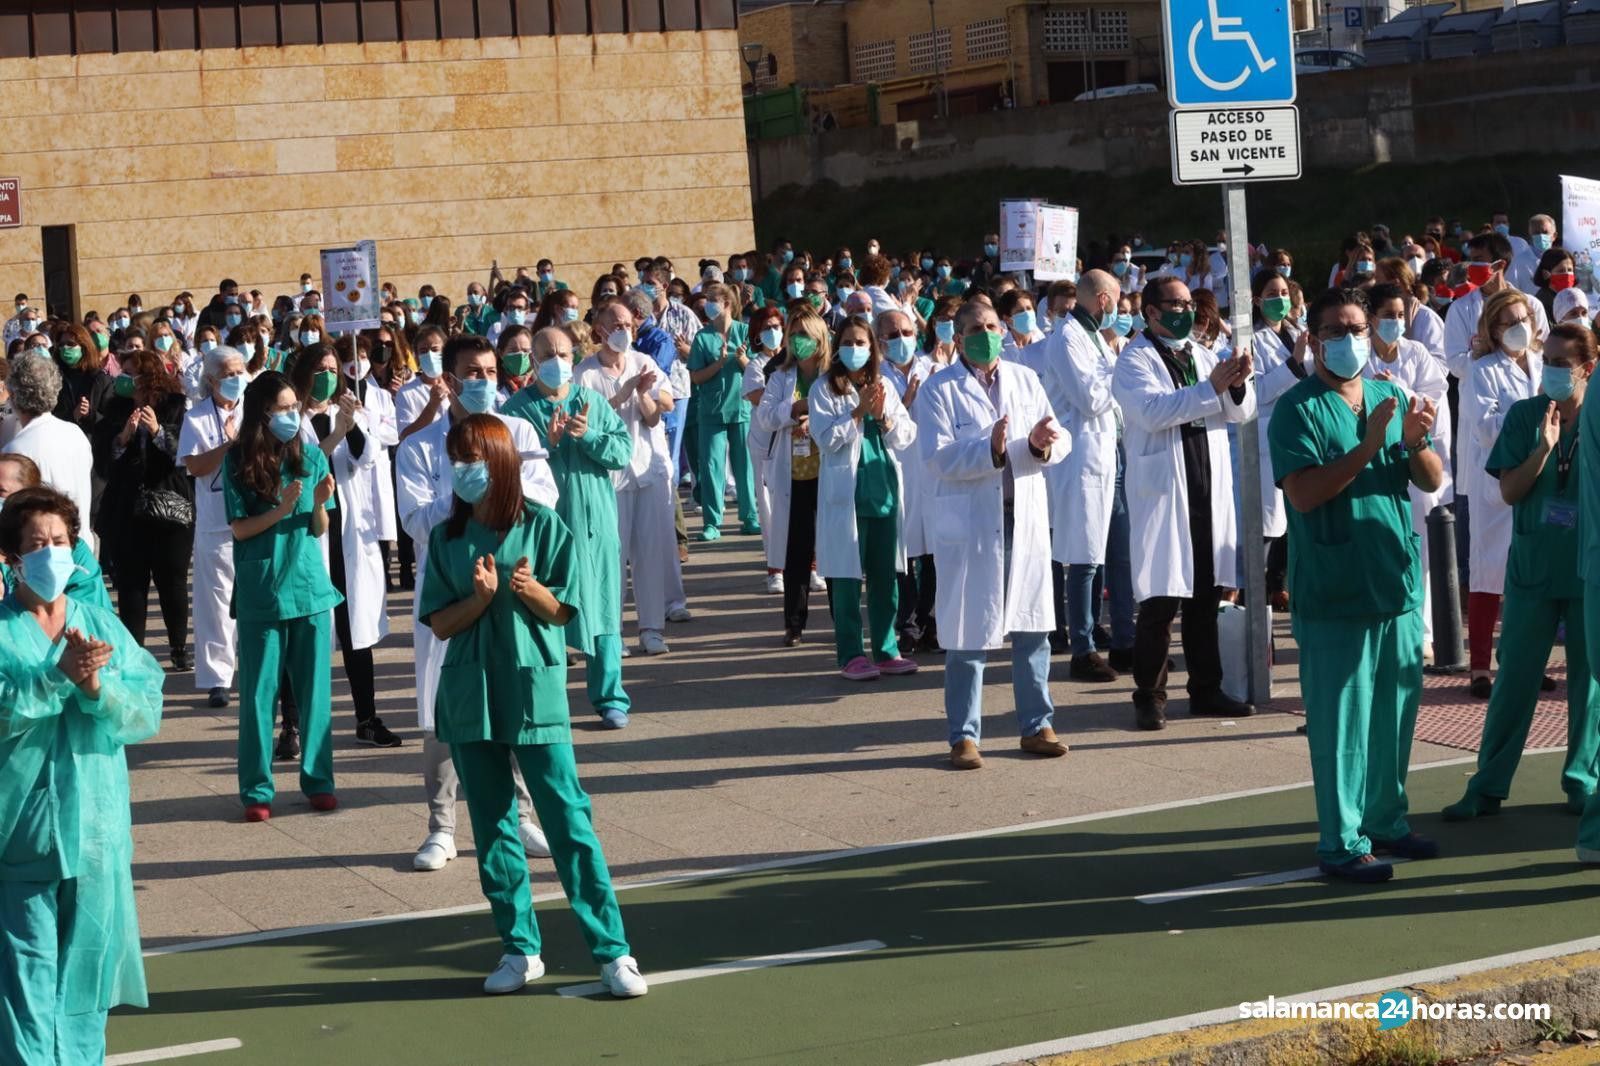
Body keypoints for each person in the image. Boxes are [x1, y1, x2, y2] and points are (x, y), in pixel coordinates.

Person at [418, 413, 645, 998]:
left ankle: (613, 951)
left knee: (569, 820)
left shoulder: (543, 526)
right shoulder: (446, 539)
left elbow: (568, 610)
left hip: (531, 692)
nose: (464, 470)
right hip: (471, 697)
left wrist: (533, 593)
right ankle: (520, 948)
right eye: (456, 459)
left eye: (474, 458)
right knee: (492, 827)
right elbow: (441, 622)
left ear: (501, 462)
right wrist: (482, 599)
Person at [1270, 286, 1443, 883]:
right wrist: (1370, 444)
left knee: (1394, 712)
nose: (1351, 340)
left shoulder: (1389, 393)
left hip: (1392, 580)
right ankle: (1341, 843)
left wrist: (1415, 440)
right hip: (1335, 586)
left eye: (1358, 329)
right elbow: (1305, 492)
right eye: (1337, 330)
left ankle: (1387, 819)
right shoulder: (1297, 408)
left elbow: (1430, 479)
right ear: (1315, 339)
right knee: (1342, 722)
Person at [0, 486, 164, 1063]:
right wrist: (55, 678)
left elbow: (146, 707)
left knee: (85, 983)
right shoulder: (2, 629)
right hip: (21, 836)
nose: (51, 552)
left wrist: (96, 687)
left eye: (60, 541)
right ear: (12, 558)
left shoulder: (97, 621)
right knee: (25, 983)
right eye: (37, 543)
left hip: (94, 832)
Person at [396, 333, 559, 872]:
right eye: (471, 372)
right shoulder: (420, 446)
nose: (483, 381)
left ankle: (522, 814)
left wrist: (496, 486)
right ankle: (441, 827)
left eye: (490, 372)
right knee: (441, 709)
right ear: (448, 378)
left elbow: (543, 499)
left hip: (509, 590)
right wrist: (465, 490)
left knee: (509, 698)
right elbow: (416, 522)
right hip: (449, 595)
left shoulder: (519, 431)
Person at [1445, 323, 1598, 822]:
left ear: (1587, 369)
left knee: (1587, 682)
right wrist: (1544, 448)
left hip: (1586, 569)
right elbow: (1509, 492)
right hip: (1533, 568)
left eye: (1561, 364)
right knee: (1514, 680)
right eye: (1546, 360)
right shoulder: (1526, 415)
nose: (1550, 371)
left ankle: (1582, 781)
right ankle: (1487, 786)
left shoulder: (1596, 419)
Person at [921, 301, 1069, 769]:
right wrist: (990, 447)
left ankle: (1036, 725)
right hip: (970, 524)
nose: (986, 334)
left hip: (1021, 516)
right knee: (969, 633)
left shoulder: (1024, 379)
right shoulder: (937, 390)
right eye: (975, 329)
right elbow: (938, 457)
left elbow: (1056, 436)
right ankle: (964, 736)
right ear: (958, 339)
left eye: (992, 327)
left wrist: (1043, 443)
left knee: (1032, 627)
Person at [1113, 277, 1257, 731]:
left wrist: (1236, 384)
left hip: (1207, 487)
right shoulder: (1133, 360)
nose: (1184, 311)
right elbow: (1153, 412)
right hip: (1164, 491)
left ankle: (1206, 689)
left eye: (1189, 303)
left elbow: (1240, 412)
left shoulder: (1200, 353)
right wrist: (1211, 389)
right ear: (1150, 312)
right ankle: (1150, 697)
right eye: (1174, 304)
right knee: (1160, 600)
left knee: (1206, 595)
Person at [223, 370, 340, 821]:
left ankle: (320, 780)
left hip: (309, 589)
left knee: (315, 693)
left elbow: (319, 527)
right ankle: (256, 789)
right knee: (258, 694)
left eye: (296, 407)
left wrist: (315, 505)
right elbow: (240, 529)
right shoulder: (237, 462)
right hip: (263, 590)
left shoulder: (312, 456)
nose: (293, 415)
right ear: (263, 413)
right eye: (285, 409)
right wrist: (282, 509)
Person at [503, 328, 634, 729]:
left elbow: (622, 451)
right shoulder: (518, 408)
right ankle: (547, 698)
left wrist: (588, 435)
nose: (556, 360)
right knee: (546, 609)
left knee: (603, 609)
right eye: (547, 354)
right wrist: (553, 443)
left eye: (563, 353)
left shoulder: (591, 401)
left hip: (595, 525)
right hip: (546, 529)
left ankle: (610, 696)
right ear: (534, 360)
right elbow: (510, 467)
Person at [289, 344, 398, 747]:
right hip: (306, 533)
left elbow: (368, 455)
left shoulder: (347, 413)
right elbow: (301, 466)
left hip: (347, 536)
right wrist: (335, 434)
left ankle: (367, 718)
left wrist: (350, 425)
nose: (328, 376)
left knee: (355, 632)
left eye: (333, 369)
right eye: (320, 369)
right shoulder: (289, 419)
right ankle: (292, 725)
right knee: (302, 633)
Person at [576, 299, 687, 656]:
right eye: (617, 324)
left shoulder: (645, 363)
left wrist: (643, 396)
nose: (625, 330)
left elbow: (659, 413)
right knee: (611, 556)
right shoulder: (585, 373)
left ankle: (651, 628)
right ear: (600, 330)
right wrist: (623, 393)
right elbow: (586, 420)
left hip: (647, 472)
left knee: (651, 553)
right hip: (609, 478)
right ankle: (611, 632)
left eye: (629, 324)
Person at [810, 319, 919, 681]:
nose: (854, 348)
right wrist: (857, 413)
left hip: (884, 491)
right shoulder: (824, 389)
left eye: (861, 342)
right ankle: (851, 653)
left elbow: (906, 437)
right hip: (848, 496)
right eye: (847, 341)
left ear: (873, 348)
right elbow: (825, 439)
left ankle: (886, 649)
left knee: (885, 577)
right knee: (845, 579)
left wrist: (883, 415)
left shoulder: (884, 385)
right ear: (836, 346)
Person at [1038, 270, 1130, 681]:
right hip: (1082, 457)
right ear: (1106, 300)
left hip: (1110, 454)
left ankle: (1115, 638)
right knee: (1083, 556)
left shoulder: (1094, 336)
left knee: (1113, 552)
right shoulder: (1068, 336)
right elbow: (1091, 398)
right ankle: (1082, 648)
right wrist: (1122, 371)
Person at [1365, 283, 1454, 656]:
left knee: (1420, 549)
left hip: (1413, 457)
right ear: (1370, 318)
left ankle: (1424, 632)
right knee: (1376, 543)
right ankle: (1383, 626)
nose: (1395, 322)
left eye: (1401, 316)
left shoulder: (1416, 353)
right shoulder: (1360, 357)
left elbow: (1431, 402)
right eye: (1387, 316)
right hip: (1372, 461)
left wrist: (1397, 390)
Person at [92, 349, 195, 671]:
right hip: (127, 510)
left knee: (172, 581)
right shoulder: (114, 411)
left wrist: (157, 432)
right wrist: (122, 438)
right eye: (122, 371)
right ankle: (134, 651)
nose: (123, 378)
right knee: (132, 584)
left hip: (170, 509)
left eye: (130, 372)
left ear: (148, 376)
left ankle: (179, 647)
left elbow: (185, 457)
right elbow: (104, 463)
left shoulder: (174, 406)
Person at [1465, 290, 1545, 697]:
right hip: (1496, 482)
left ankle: (1524, 658)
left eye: (1524, 319)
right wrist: (1532, 426)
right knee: (1489, 571)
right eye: (1509, 323)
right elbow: (1484, 427)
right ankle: (1480, 666)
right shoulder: (1482, 371)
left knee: (1529, 573)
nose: (1519, 328)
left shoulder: (1544, 364)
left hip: (1539, 476)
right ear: (1494, 331)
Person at [752, 310, 831, 646]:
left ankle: (842, 620)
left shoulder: (833, 376)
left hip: (830, 474)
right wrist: (793, 411)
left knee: (835, 550)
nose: (799, 340)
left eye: (805, 334)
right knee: (797, 551)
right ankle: (794, 624)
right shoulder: (781, 376)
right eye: (793, 333)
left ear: (820, 338)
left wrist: (818, 419)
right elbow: (766, 415)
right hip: (794, 475)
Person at [179, 345, 247, 707]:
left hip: (254, 519)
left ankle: (252, 665)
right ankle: (218, 677)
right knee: (216, 603)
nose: (236, 380)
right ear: (211, 380)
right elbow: (195, 466)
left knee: (251, 598)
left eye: (240, 372)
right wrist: (229, 446)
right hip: (215, 522)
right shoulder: (197, 417)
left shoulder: (255, 411)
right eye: (228, 374)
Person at [875, 308, 938, 652]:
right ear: (880, 340)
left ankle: (930, 621)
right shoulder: (875, 375)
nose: (901, 339)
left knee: (931, 552)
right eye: (892, 334)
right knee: (902, 553)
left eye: (906, 331)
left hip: (929, 470)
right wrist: (906, 400)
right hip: (895, 470)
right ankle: (907, 624)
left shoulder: (933, 369)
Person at [1249, 268, 1306, 612]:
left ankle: (1283, 584)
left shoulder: (1299, 332)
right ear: (1257, 301)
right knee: (1269, 525)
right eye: (1272, 293)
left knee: (1296, 518)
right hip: (1270, 435)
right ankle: (1255, 590)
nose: (1280, 299)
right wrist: (1295, 363)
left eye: (1284, 292)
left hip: (1303, 434)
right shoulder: (1252, 340)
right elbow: (1258, 392)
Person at [686, 282, 759, 541]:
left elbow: (756, 370)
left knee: (745, 466)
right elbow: (695, 377)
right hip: (711, 411)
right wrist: (718, 363)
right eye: (707, 299)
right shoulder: (702, 337)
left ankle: (750, 517)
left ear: (727, 303)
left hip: (741, 409)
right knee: (711, 466)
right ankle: (712, 522)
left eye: (712, 299)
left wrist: (741, 360)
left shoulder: (745, 332)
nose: (708, 304)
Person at [0, 454, 109, 608]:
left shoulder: (71, 550)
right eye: (36, 543)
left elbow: (92, 613)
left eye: (1, 491)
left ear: (28, 496)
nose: (50, 547)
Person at [5, 353, 93, 531]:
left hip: (43, 550)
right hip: (81, 546)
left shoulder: (15, 451)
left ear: (13, 395)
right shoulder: (75, 433)